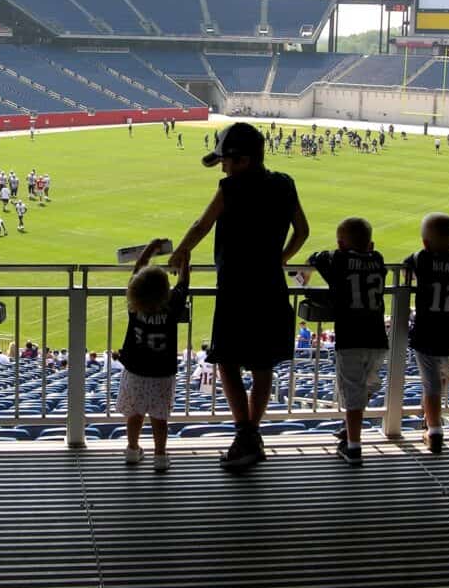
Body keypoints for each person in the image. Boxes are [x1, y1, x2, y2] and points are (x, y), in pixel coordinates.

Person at [169, 122, 309, 470]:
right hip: (272, 286)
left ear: (244, 160)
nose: (222, 166)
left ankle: (245, 433)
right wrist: (280, 259)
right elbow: (302, 231)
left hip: (236, 288)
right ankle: (251, 435)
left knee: (227, 361)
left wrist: (180, 253)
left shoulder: (230, 188)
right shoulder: (285, 184)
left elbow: (202, 225)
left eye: (227, 160)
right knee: (263, 366)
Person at [308, 217, 388, 467]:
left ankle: (353, 447)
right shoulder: (378, 260)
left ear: (341, 244)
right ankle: (349, 429)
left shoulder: (339, 260)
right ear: (371, 244)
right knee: (363, 386)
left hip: (351, 338)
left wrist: (331, 253)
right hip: (377, 337)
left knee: (352, 391)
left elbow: (318, 258)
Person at [118, 238, 189, 473]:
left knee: (135, 414)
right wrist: (184, 262)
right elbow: (183, 284)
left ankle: (132, 450)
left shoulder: (134, 305)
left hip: (136, 371)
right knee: (160, 418)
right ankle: (160, 455)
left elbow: (138, 272)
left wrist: (149, 250)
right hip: (162, 373)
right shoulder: (172, 307)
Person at [404, 213, 449, 455]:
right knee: (441, 376)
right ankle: (429, 419)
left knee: (431, 382)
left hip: (427, 331)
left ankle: (434, 430)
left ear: (425, 243)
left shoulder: (422, 259)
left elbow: (407, 264)